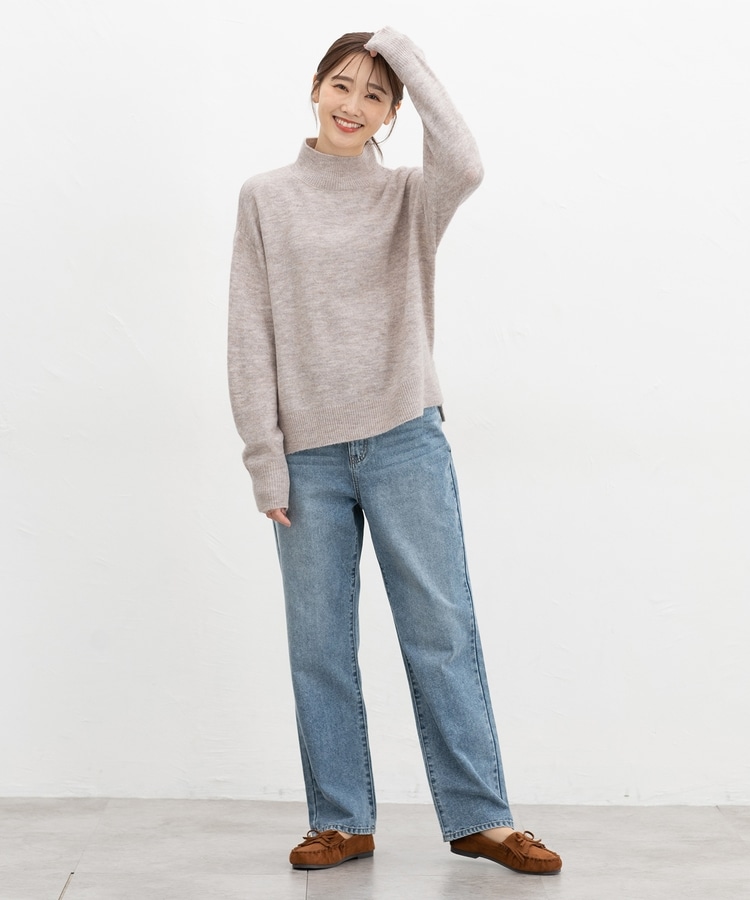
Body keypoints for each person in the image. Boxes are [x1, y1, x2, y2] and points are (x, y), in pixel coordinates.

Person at [228, 25, 562, 876]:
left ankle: (482, 817)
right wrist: (264, 457)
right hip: (306, 458)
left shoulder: (410, 197)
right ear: (315, 89)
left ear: (391, 115)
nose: (353, 105)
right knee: (319, 644)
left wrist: (399, 50)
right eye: (341, 85)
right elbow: (249, 330)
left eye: (375, 95)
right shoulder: (265, 197)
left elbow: (468, 161)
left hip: (405, 439)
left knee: (441, 631)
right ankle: (340, 820)